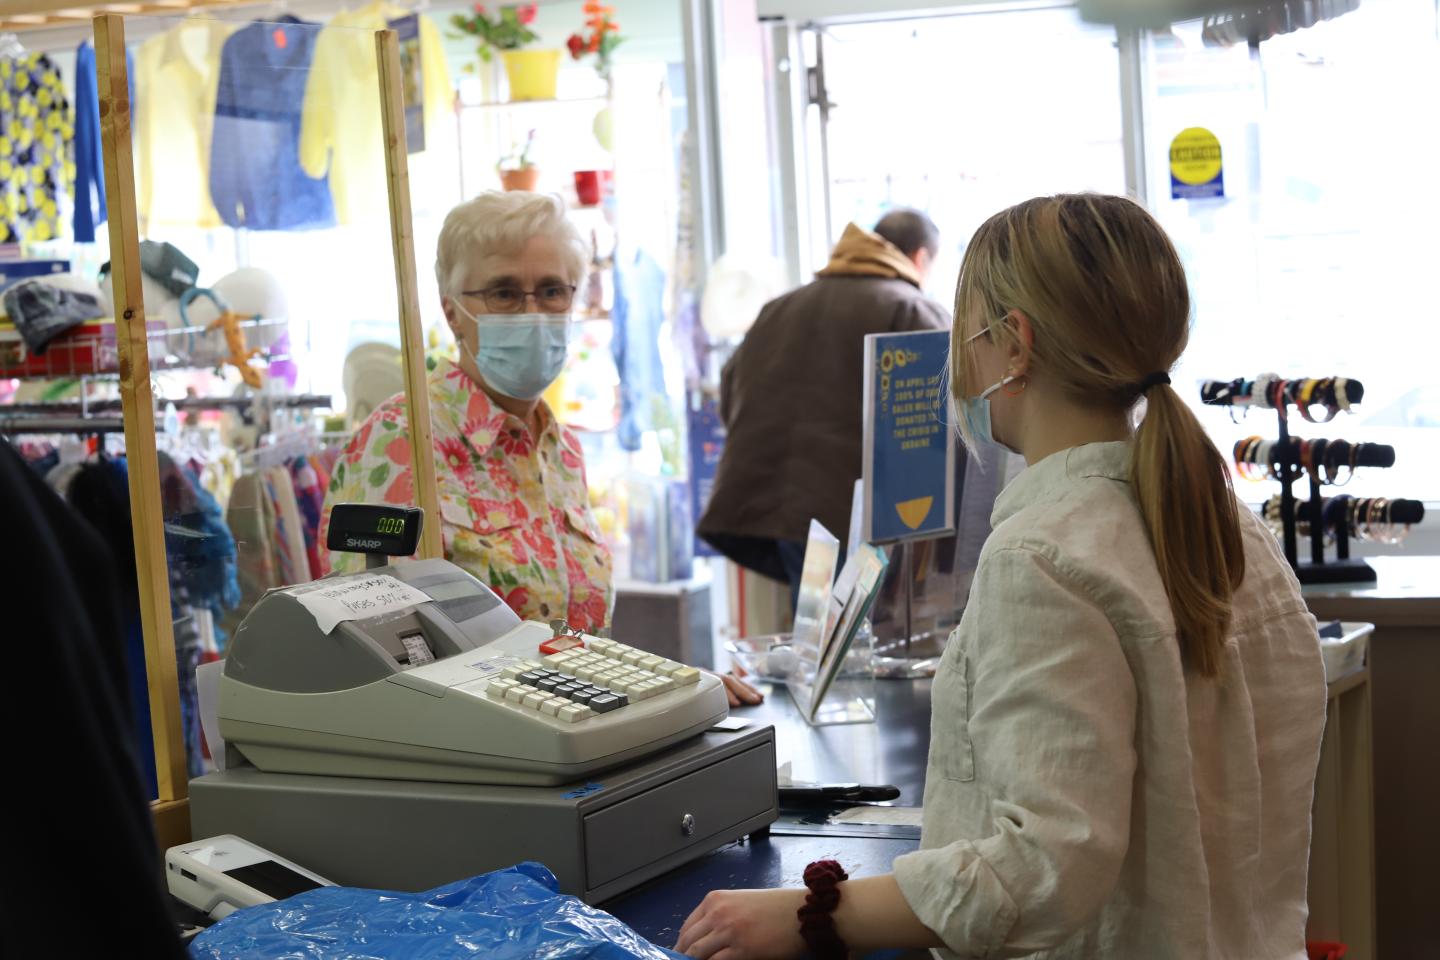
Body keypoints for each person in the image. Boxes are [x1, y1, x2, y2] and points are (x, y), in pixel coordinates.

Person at [675, 194, 1327, 959]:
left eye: (967, 332)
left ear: (1013, 345)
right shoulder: (1225, 522)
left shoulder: (1044, 560)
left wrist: (809, 915)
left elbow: (1047, 864)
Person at [322, 192, 760, 705]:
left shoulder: (560, 449)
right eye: (504, 293)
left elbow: (573, 643)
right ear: (453, 313)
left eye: (552, 290)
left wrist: (667, 689)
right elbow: (367, 652)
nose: (533, 311)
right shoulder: (402, 441)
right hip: (470, 763)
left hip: (575, 747)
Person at [698, 209, 948, 604]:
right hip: (862, 521)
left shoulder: (780, 307)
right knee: (859, 650)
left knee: (820, 639)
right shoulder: (913, 311)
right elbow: (939, 432)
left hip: (779, 510)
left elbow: (731, 394)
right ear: (920, 258)